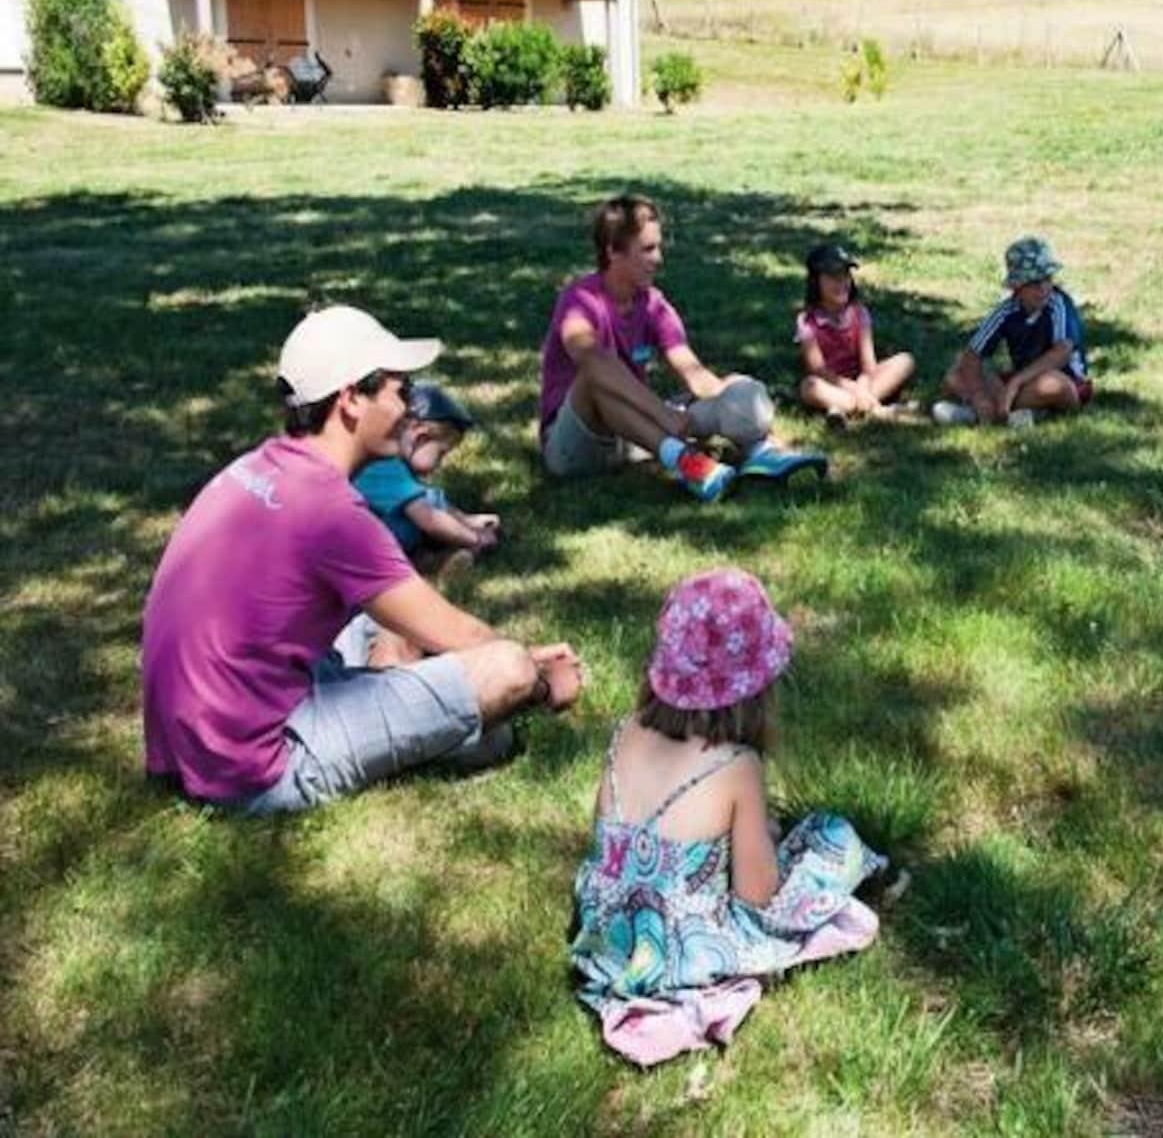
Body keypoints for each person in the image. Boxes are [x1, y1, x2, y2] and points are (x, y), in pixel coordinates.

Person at [141, 306, 586, 815]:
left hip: (192, 742)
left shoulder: (254, 467)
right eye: (401, 391)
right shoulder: (331, 512)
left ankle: (400, 690)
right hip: (258, 766)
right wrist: (540, 678)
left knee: (388, 620)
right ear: (351, 399)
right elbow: (462, 636)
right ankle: (412, 710)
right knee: (504, 674)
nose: (410, 409)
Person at [570, 570, 893, 1065]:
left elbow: (608, 843)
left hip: (609, 936)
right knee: (832, 838)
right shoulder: (737, 765)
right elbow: (757, 893)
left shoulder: (625, 731)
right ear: (755, 688)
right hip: (684, 951)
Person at [537, 193, 824, 502]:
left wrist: (735, 400)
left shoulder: (652, 304)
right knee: (595, 376)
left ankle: (762, 451)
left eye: (658, 247)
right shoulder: (579, 299)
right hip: (573, 448)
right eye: (648, 249)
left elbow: (694, 374)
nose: (658, 259)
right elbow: (592, 360)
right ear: (613, 251)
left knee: (740, 387)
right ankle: (687, 464)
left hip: (633, 435)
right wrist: (661, 413)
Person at [932, 236, 1091, 429]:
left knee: (1054, 385)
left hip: (1066, 381)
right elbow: (972, 355)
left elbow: (1062, 352)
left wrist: (1015, 382)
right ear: (1017, 286)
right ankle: (1012, 412)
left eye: (1047, 279)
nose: (1043, 288)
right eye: (1033, 282)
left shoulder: (1058, 304)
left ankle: (982, 414)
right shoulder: (1006, 311)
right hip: (1023, 384)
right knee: (955, 376)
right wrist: (978, 394)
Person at [352, 381, 498, 572]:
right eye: (441, 453)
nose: (441, 462)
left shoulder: (397, 467)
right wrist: (476, 538)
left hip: (381, 545)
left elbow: (432, 502)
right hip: (365, 554)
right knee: (421, 512)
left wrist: (466, 521)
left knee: (427, 497)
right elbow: (429, 519)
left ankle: (440, 555)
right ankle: (434, 563)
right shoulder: (384, 467)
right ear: (420, 437)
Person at [793, 242, 915, 427]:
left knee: (905, 361)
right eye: (833, 277)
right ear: (816, 282)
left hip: (863, 382)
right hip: (830, 384)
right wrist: (851, 388)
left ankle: (842, 408)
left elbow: (869, 365)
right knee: (809, 387)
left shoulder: (859, 313)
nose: (842, 283)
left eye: (845, 276)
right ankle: (875, 409)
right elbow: (819, 370)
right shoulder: (807, 321)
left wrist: (862, 385)